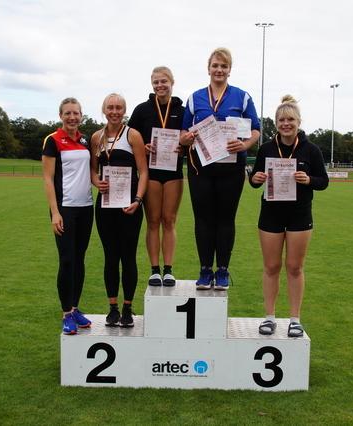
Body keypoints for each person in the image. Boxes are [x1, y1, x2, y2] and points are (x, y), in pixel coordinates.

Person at [180, 47, 260, 290]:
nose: (219, 70)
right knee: (203, 220)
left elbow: (256, 129)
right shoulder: (195, 98)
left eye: (224, 66)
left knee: (226, 219)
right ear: (208, 68)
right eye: (215, 65)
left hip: (231, 168)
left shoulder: (242, 97)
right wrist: (186, 139)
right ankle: (205, 269)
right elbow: (183, 133)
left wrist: (244, 144)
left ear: (230, 70)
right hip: (200, 169)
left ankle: (223, 269)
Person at [249, 95, 329, 337]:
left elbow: (323, 181)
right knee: (271, 266)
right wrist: (255, 178)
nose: (286, 124)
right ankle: (269, 317)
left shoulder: (311, 150)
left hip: (299, 215)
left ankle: (295, 319)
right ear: (276, 123)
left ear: (298, 122)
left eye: (290, 120)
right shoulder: (266, 148)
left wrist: (309, 180)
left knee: (294, 267)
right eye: (282, 120)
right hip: (270, 214)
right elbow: (254, 179)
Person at [90, 93, 148, 327]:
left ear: (124, 111)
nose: (114, 111)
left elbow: (143, 171)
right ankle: (112, 308)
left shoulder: (132, 135)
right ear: (104, 110)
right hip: (105, 206)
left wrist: (138, 200)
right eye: (110, 107)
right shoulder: (96, 137)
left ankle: (127, 308)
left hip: (129, 206)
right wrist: (97, 182)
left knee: (128, 256)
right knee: (110, 257)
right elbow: (93, 170)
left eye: (118, 108)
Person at [128, 66, 185, 287]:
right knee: (153, 221)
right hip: (150, 174)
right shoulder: (142, 110)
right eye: (156, 82)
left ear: (172, 82)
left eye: (164, 81)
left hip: (173, 173)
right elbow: (129, 139)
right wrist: (143, 146)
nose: (160, 85)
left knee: (169, 220)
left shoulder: (183, 110)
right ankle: (154, 270)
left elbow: (190, 138)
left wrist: (184, 147)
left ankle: (168, 269)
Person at [42, 97, 94, 335]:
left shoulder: (85, 140)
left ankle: (75, 308)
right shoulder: (53, 140)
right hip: (64, 209)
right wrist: (55, 212)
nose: (72, 117)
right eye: (67, 113)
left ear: (81, 115)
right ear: (61, 115)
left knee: (79, 259)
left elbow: (90, 171)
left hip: (86, 208)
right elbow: (48, 178)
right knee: (67, 260)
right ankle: (66, 314)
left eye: (76, 113)